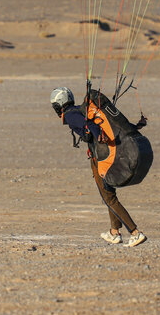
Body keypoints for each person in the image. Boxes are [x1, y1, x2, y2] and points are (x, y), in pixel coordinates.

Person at [50, 87, 147, 247]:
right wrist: (135, 127)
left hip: (101, 158)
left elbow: (88, 126)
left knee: (108, 197)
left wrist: (96, 134)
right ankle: (114, 232)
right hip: (108, 154)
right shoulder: (82, 110)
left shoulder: (71, 115)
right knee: (109, 194)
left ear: (58, 105)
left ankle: (135, 232)